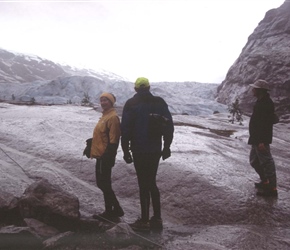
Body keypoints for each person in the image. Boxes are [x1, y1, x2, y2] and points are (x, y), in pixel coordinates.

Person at [121, 77, 174, 231]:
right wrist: (167, 147)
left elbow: (126, 128)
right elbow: (168, 125)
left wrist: (125, 150)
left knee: (143, 183)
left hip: (138, 149)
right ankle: (157, 218)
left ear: (135, 89)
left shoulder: (131, 103)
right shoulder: (159, 102)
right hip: (155, 150)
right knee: (151, 182)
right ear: (149, 87)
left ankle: (144, 220)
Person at [90, 92, 124, 220]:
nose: (103, 102)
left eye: (106, 100)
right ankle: (112, 210)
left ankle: (114, 210)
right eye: (102, 100)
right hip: (100, 154)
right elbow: (102, 135)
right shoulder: (105, 116)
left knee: (104, 184)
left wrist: (108, 156)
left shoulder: (112, 117)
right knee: (102, 183)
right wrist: (91, 143)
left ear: (111, 102)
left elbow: (114, 139)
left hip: (105, 155)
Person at [248, 79, 278, 197]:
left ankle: (272, 188)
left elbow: (265, 124)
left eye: (254, 88)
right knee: (254, 161)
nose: (252, 90)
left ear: (260, 90)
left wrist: (262, 141)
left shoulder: (266, 104)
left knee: (267, 162)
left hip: (261, 140)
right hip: (256, 138)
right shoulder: (261, 101)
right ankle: (265, 181)